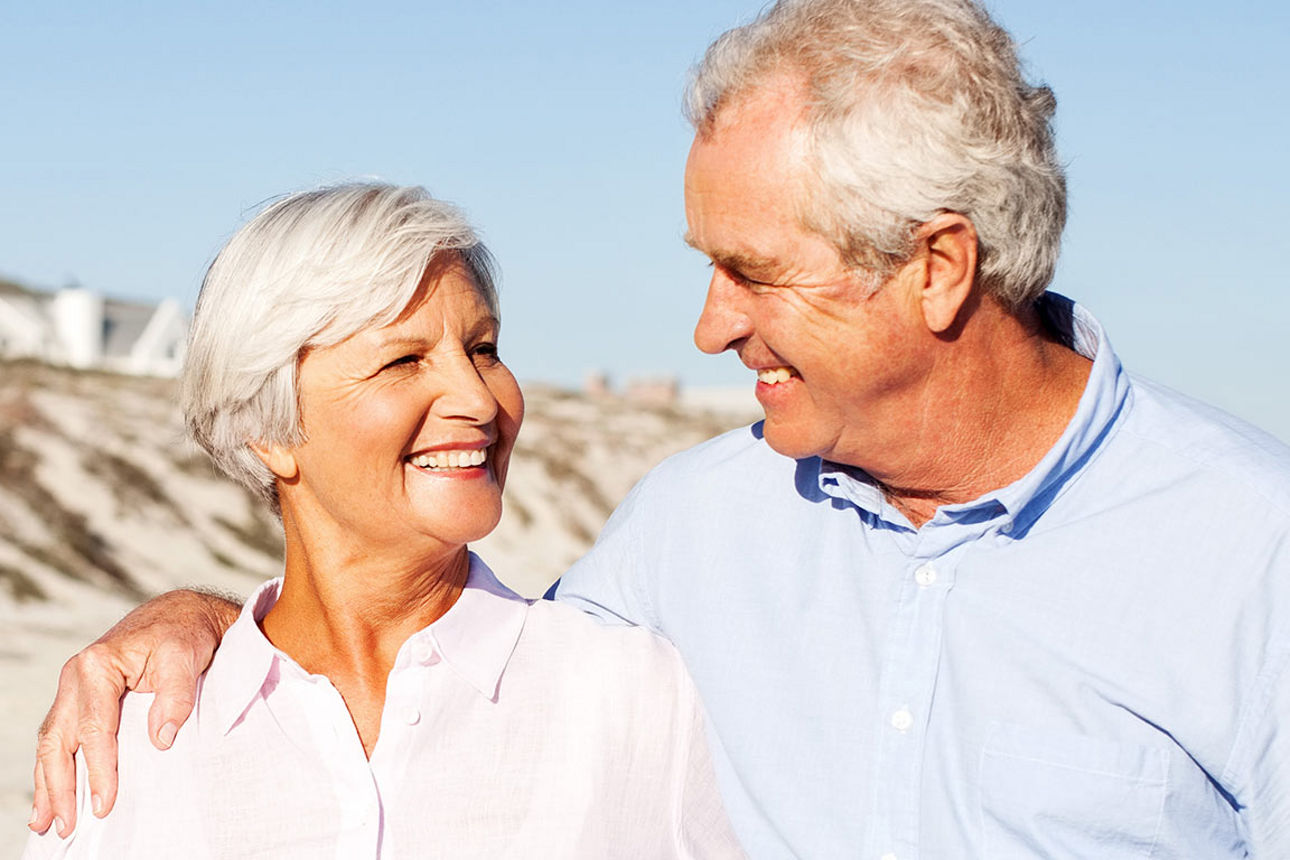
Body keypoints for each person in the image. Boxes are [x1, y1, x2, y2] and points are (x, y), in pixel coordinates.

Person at [31, 0, 1290, 856]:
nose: (707, 325)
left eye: (753, 271)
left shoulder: (1256, 548)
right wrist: (198, 619)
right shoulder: (691, 530)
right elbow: (419, 619)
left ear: (938, 267)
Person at [23, 183, 743, 858]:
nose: (479, 400)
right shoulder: (123, 748)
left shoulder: (645, 701)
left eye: (484, 349)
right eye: (403, 360)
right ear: (267, 428)